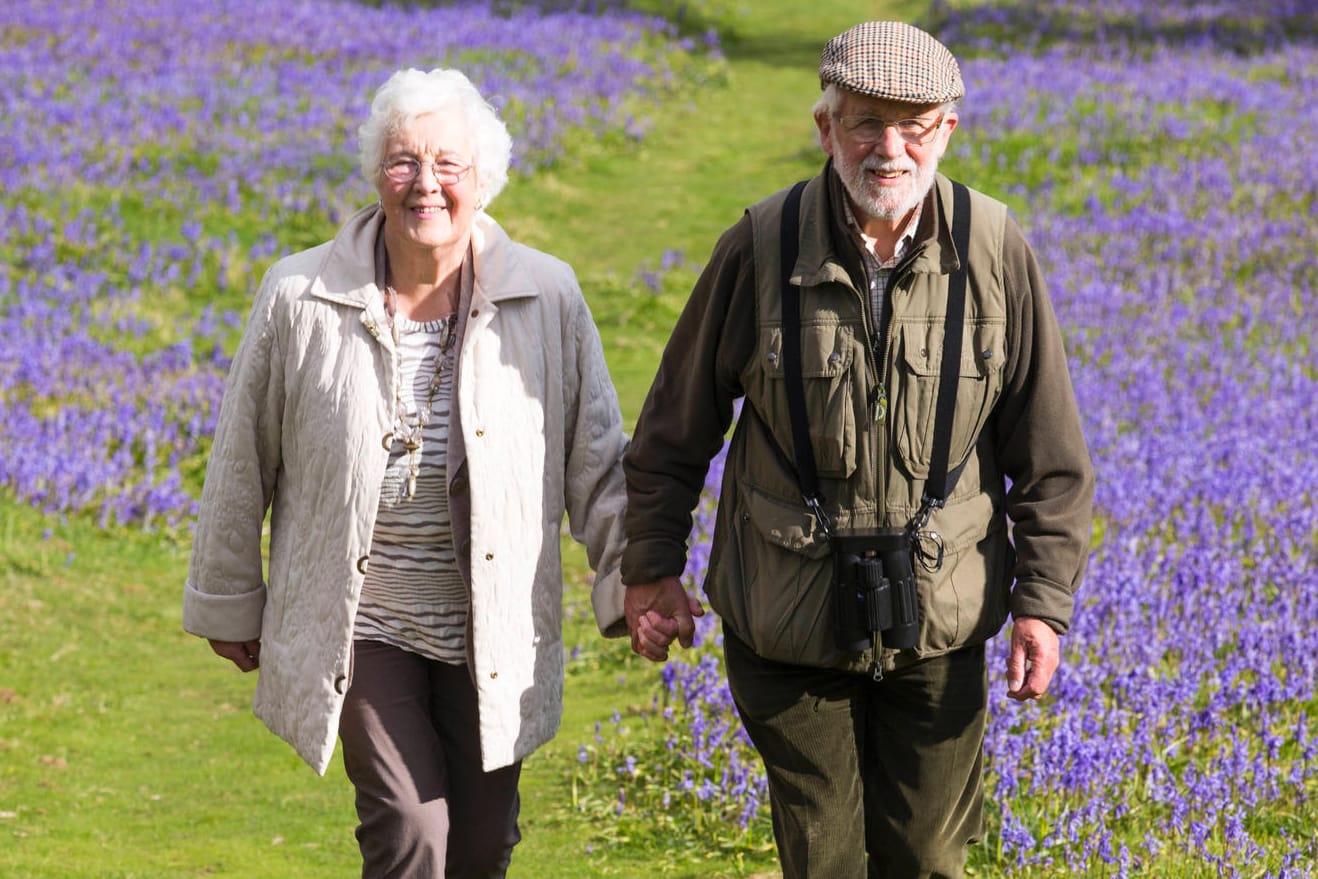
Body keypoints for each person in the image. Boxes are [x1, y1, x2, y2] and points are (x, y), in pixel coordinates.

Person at [621, 21, 1095, 879]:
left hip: (940, 618)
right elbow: (672, 429)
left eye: (914, 125)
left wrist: (1042, 603)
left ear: (948, 130)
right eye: (866, 122)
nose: (890, 148)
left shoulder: (993, 251)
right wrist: (652, 563)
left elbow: (1052, 455)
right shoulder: (759, 248)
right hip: (788, 617)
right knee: (825, 861)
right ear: (825, 126)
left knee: (927, 860)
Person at [183, 67, 630, 878]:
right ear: (375, 173)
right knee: (412, 833)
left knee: (484, 844)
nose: (425, 184)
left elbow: (597, 459)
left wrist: (635, 578)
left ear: (484, 181)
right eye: (402, 161)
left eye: (448, 165)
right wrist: (227, 594)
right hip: (361, 619)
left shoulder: (548, 296)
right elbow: (241, 453)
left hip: (490, 623)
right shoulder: (300, 296)